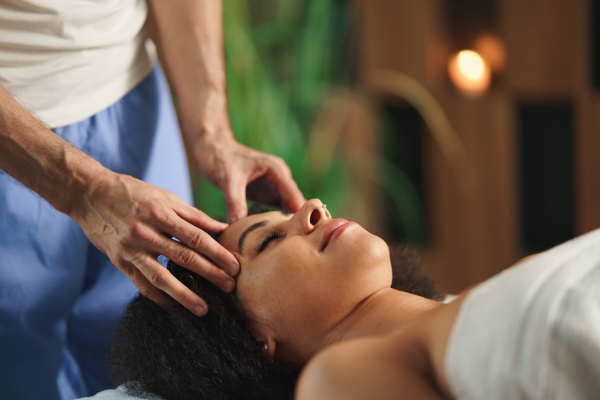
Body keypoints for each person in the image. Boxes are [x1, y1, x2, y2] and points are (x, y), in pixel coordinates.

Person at [0, 1, 304, 399]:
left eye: (270, 235)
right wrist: (83, 190)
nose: (314, 210)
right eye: (268, 239)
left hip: (133, 102)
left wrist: (212, 129)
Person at [103, 199, 599, 400]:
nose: (313, 208)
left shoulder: (474, 303)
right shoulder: (334, 383)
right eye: (268, 241)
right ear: (252, 341)